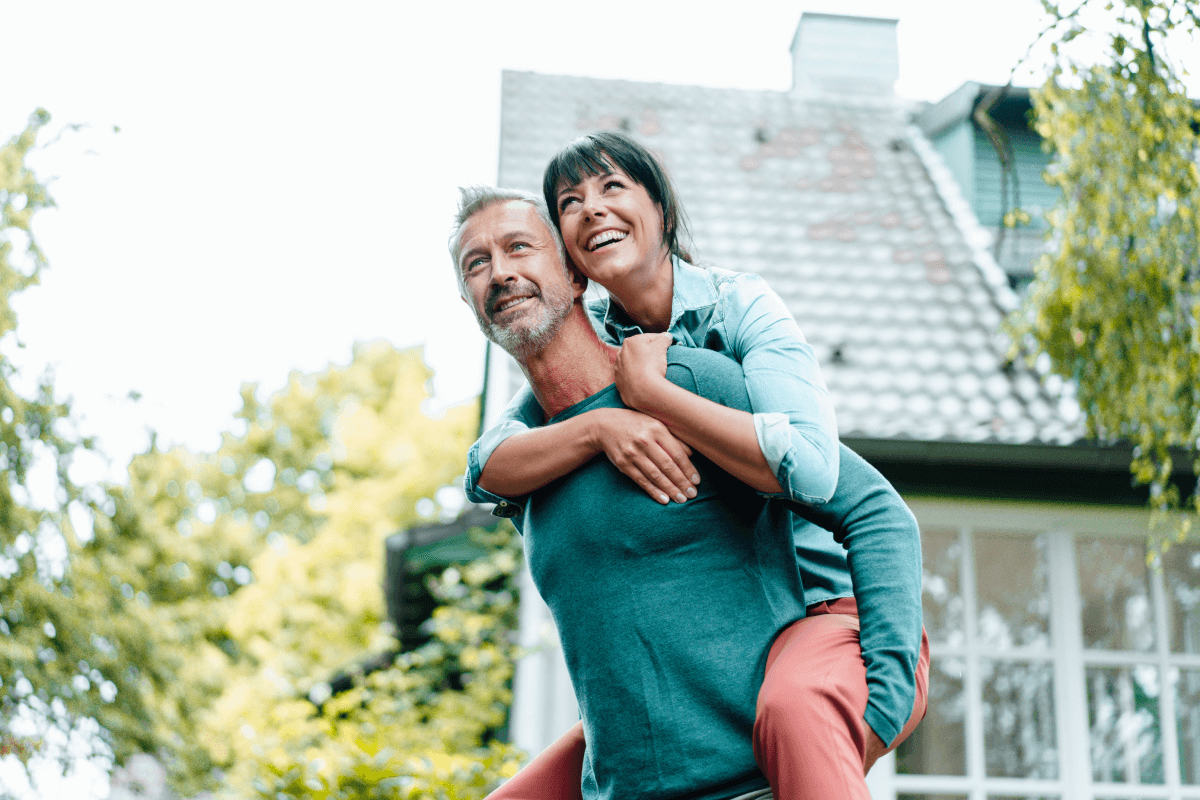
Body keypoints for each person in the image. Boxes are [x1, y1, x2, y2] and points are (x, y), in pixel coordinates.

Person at [453, 185, 927, 800]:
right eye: (477, 263)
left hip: (749, 777)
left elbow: (872, 509)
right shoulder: (526, 460)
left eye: (520, 247)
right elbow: (483, 471)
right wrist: (598, 428)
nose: (501, 272)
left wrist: (881, 709)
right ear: (468, 301)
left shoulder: (687, 380)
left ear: (576, 275)